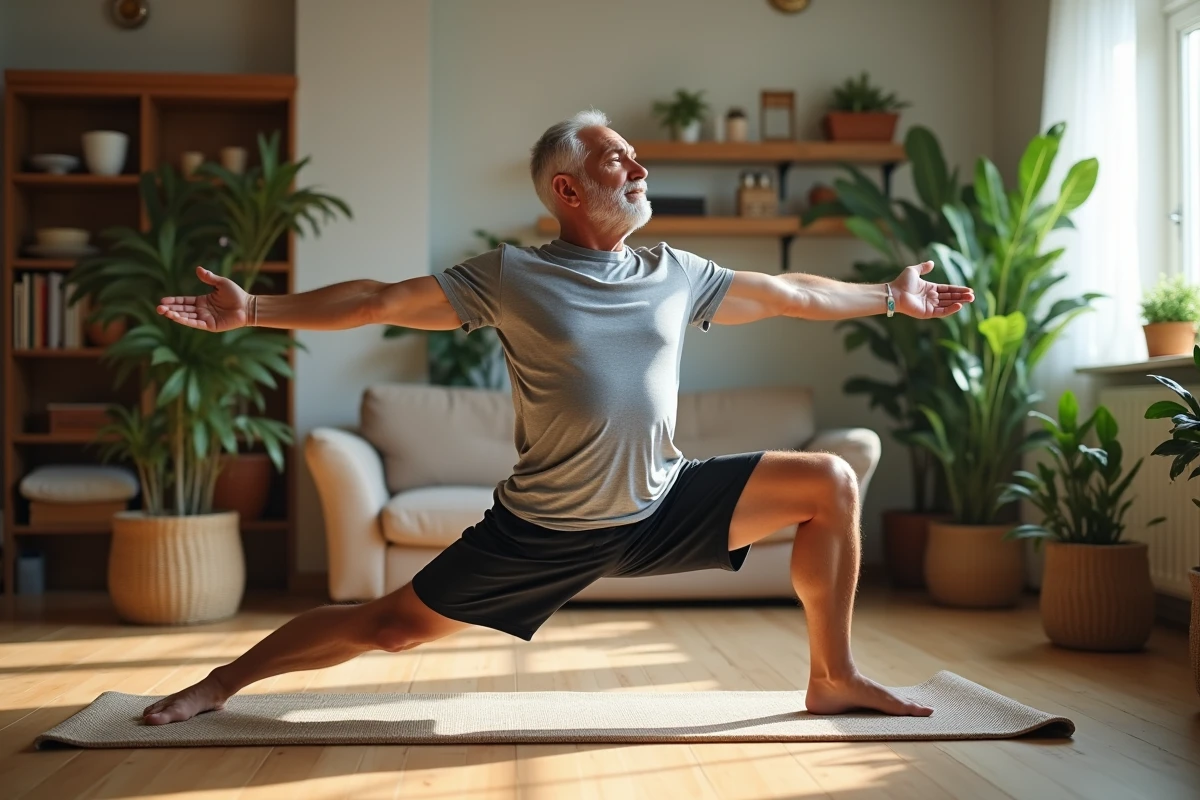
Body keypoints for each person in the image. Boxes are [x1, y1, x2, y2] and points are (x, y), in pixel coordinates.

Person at [143, 110, 972, 725]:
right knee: (390, 627)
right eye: (618, 159)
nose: (637, 167)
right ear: (568, 189)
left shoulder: (677, 272)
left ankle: (833, 676)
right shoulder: (511, 277)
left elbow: (789, 292)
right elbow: (378, 300)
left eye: (636, 156)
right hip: (543, 529)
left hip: (661, 504)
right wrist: (253, 308)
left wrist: (887, 298)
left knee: (828, 480)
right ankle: (222, 683)